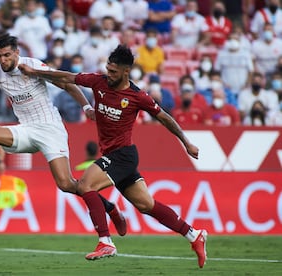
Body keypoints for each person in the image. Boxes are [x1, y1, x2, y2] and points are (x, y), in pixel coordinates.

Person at [18, 45, 207, 268]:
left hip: (124, 155)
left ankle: (105, 240)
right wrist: (35, 72)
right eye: (108, 68)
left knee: (85, 186)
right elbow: (67, 77)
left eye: (114, 71)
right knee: (146, 205)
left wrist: (186, 142)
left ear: (126, 72)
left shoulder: (138, 96)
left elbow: (164, 117)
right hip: (113, 156)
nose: (109, 74)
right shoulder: (98, 81)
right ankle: (194, 235)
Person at [0, 33, 126, 236]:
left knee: (67, 184)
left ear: (17, 53)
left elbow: (66, 84)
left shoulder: (32, 66)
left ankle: (110, 208)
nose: (3, 60)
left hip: (50, 129)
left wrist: (86, 107)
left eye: (7, 55)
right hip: (26, 129)